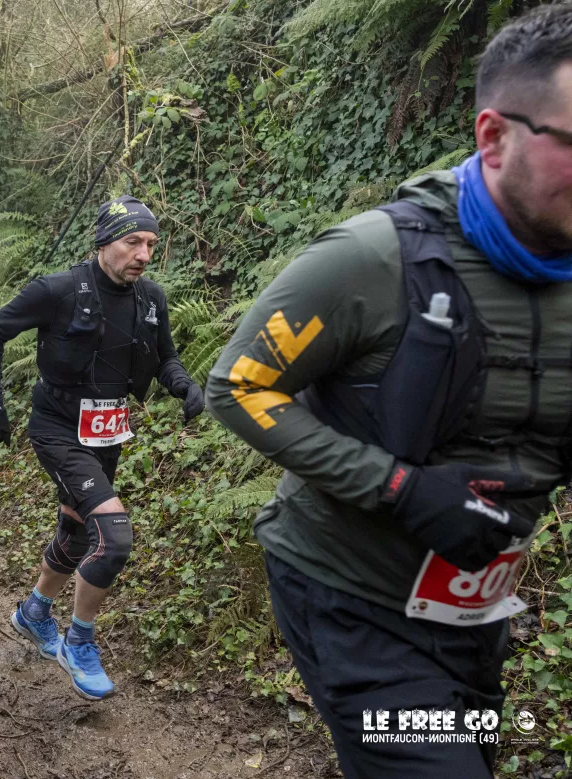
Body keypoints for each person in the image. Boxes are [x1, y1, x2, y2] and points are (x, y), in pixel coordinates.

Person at [206, 8, 572, 777]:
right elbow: (238, 385)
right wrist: (399, 487)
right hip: (351, 598)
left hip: (476, 612)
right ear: (493, 137)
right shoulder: (374, 259)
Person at [0, 196, 205, 700]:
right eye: (132, 242)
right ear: (103, 242)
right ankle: (78, 642)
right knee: (114, 538)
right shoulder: (57, 290)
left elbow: (165, 357)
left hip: (107, 432)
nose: (143, 254)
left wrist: (184, 385)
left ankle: (34, 612)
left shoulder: (151, 298)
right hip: (58, 427)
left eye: (151, 244)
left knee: (78, 532)